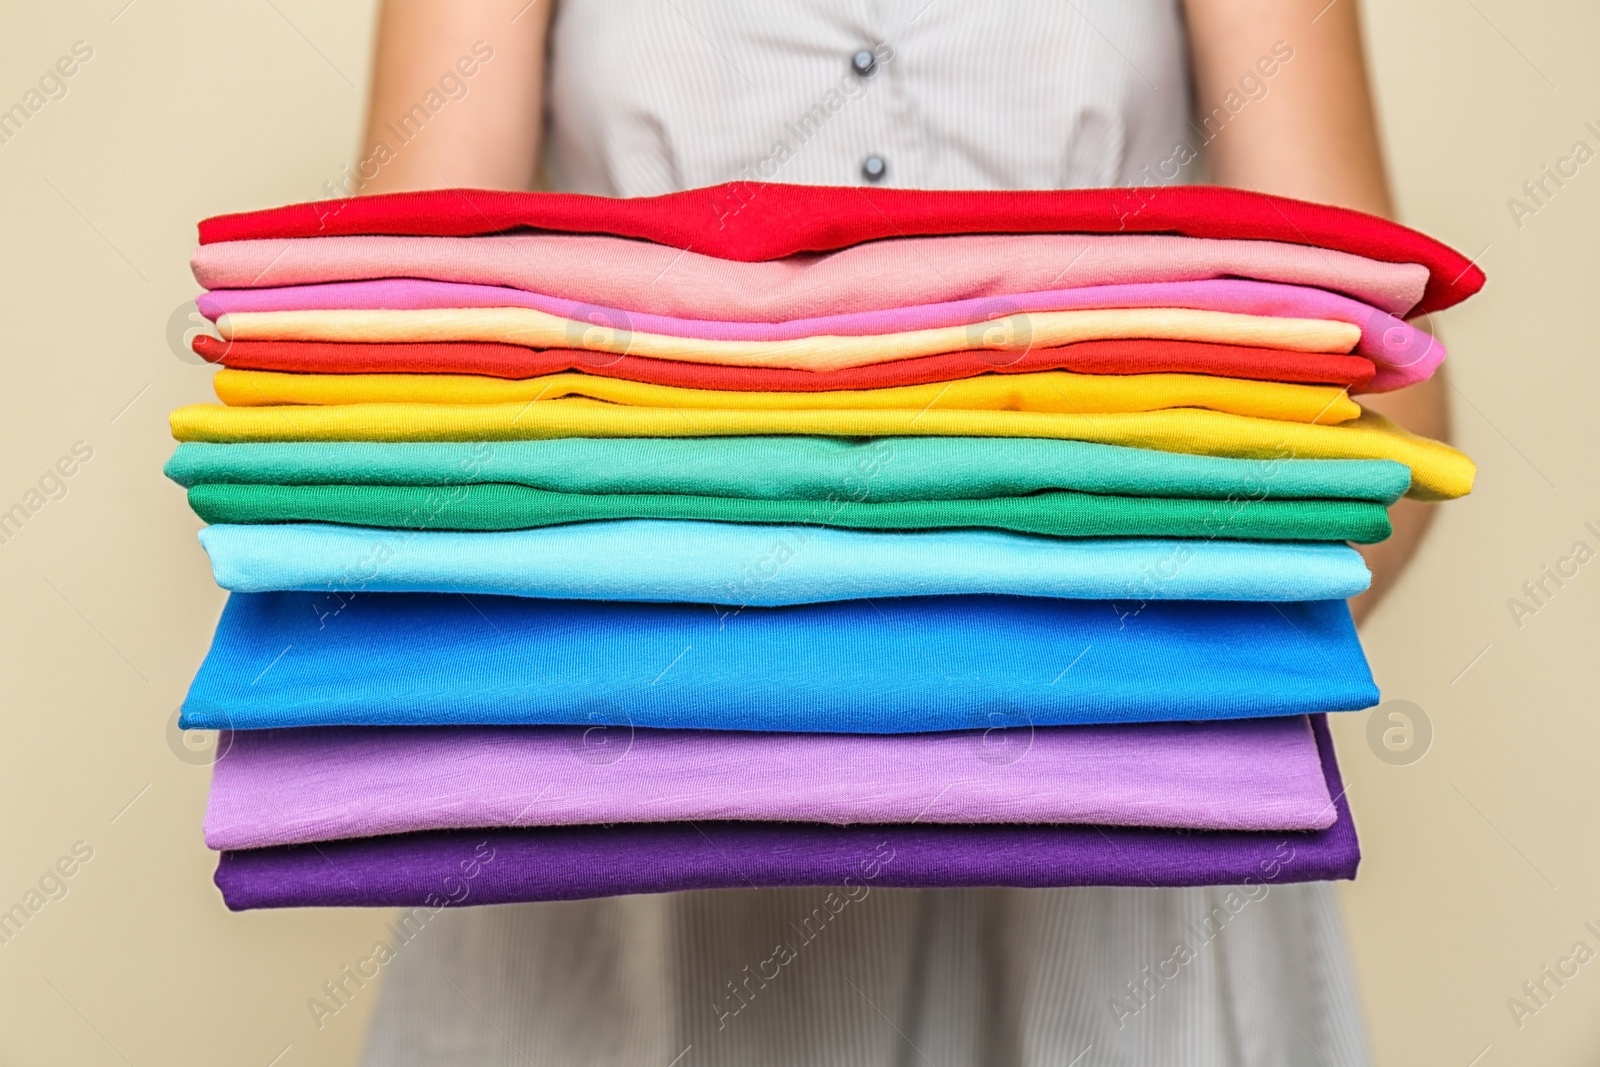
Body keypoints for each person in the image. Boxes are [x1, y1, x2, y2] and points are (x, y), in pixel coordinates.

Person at [350, 3, 1444, 1063]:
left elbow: (1376, 413)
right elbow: (398, 372)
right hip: (615, 837)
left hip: (1119, 855)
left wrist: (1099, 672)